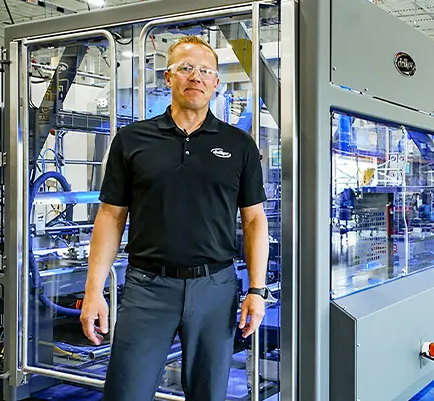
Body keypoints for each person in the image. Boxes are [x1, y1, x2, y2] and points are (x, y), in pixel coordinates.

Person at [79, 35, 270, 401]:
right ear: (168, 77)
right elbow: (110, 216)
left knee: (209, 393)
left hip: (215, 288)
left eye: (205, 71)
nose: (195, 77)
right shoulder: (133, 140)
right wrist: (93, 292)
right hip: (148, 287)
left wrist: (256, 290)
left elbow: (254, 221)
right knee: (126, 391)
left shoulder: (239, 145)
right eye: (185, 68)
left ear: (216, 83)